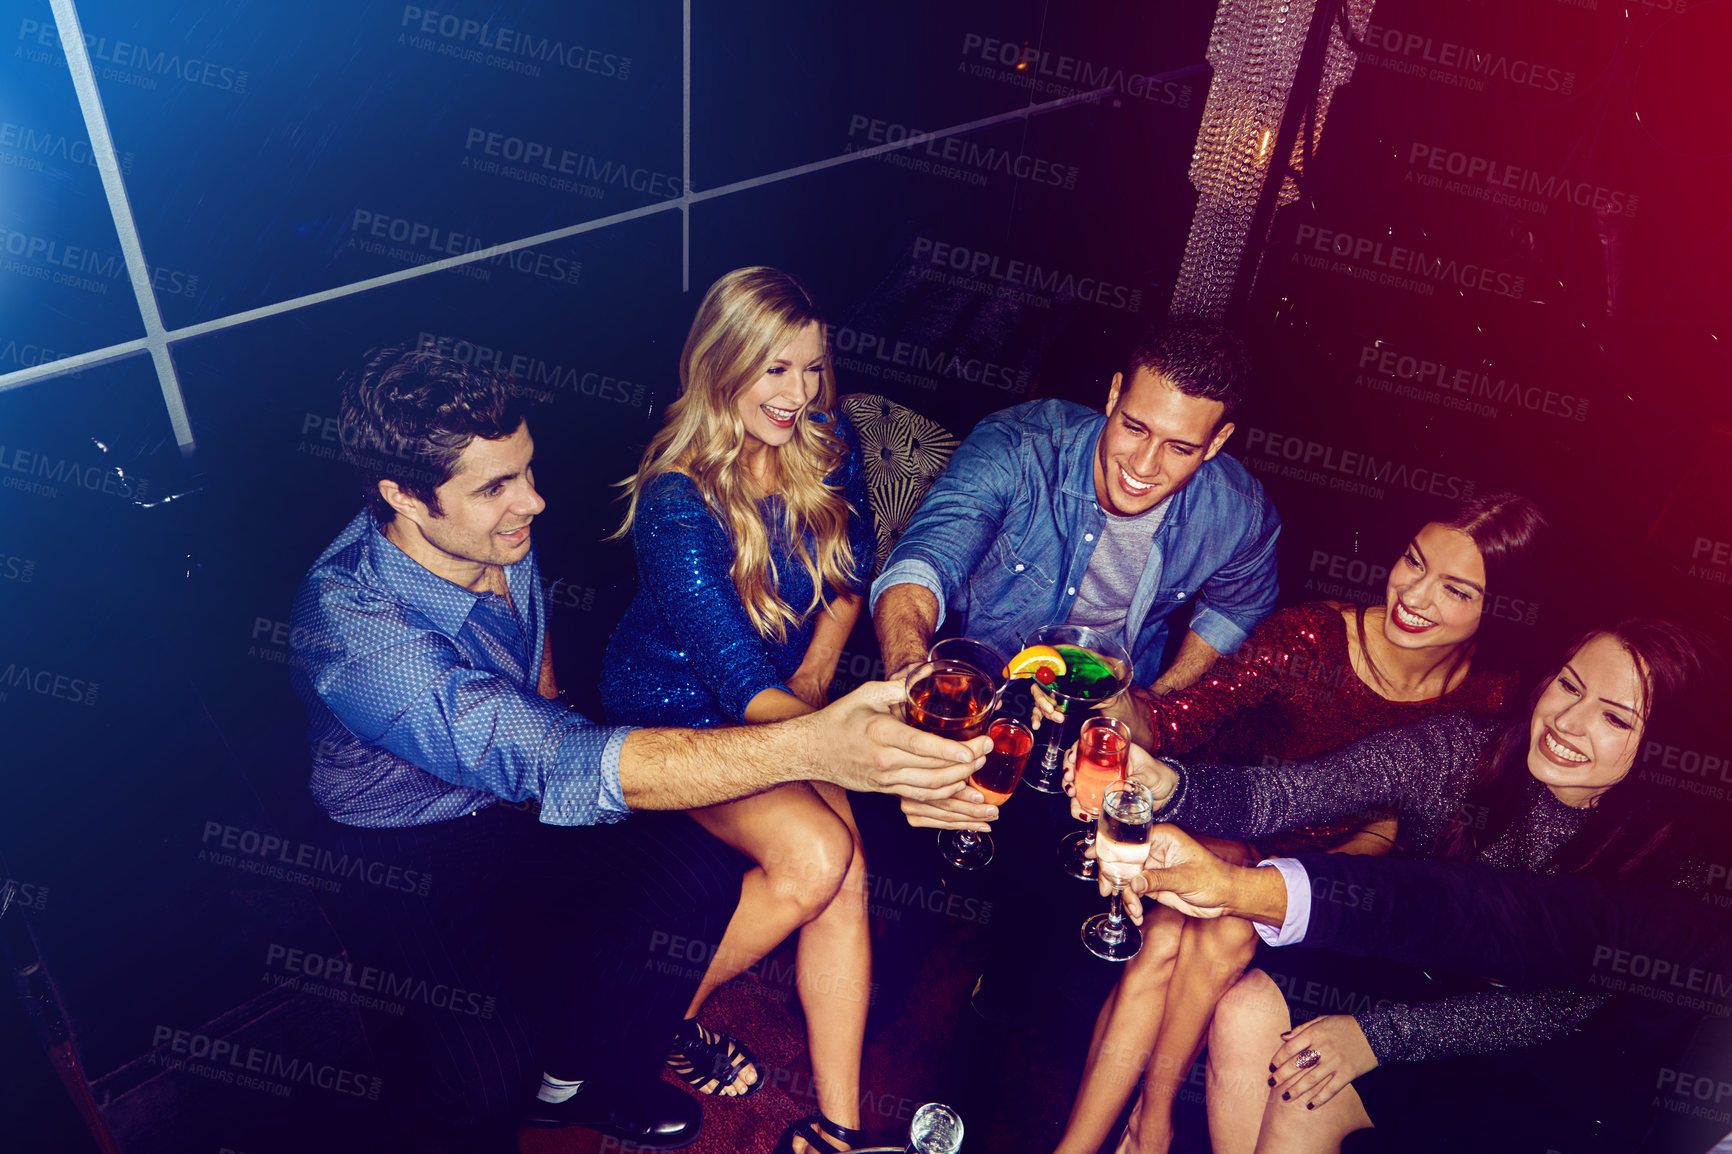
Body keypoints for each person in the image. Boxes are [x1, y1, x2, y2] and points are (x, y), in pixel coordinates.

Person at [288, 346, 989, 1154]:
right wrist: (814, 748)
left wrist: (555, 710)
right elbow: (552, 762)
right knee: (484, 1083)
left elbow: (538, 688)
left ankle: (602, 1078)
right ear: (400, 496)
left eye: (527, 471)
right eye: (497, 487)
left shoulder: (491, 529)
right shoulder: (353, 627)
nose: (535, 501)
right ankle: (546, 1082)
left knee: (696, 873)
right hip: (404, 841)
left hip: (518, 791)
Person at [1078, 618, 1714, 1153]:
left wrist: (1376, 1038)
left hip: (1532, 1057)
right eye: (1569, 685)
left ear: (1660, 748)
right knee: (1245, 1008)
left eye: (1614, 718)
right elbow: (1293, 792)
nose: (1569, 722)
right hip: (1424, 975)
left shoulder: (1666, 865)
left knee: (1305, 1097)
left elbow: (1553, 1010)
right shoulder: (1464, 752)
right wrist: (1168, 783)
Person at [1055, 493, 1544, 1154]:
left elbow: (1395, 829)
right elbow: (1175, 722)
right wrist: (1110, 697)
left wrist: (1313, 879)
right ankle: (1138, 1127)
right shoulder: (1309, 636)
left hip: (1332, 876)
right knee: (1194, 932)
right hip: (1226, 815)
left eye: (1455, 590)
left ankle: (1134, 1127)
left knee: (1209, 930)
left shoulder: (1493, 699)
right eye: (1413, 561)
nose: (1415, 595)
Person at [600, 267, 877, 1154]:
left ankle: (839, 1128)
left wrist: (819, 694)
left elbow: (849, 575)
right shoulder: (676, 499)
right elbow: (731, 679)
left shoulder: (825, 435)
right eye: (773, 371)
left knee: (849, 872)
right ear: (723, 365)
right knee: (818, 850)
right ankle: (621, 1029)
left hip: (783, 701)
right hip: (676, 713)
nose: (798, 394)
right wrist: (834, 745)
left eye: (810, 369)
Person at [874, 319, 1280, 828]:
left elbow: (1237, 606)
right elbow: (923, 561)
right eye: (1135, 427)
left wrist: (1152, 705)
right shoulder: (1017, 446)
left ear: (1217, 441)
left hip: (1111, 710)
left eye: (1180, 447)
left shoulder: (1238, 513)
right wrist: (913, 678)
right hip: (986, 689)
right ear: (1113, 395)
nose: (1145, 465)